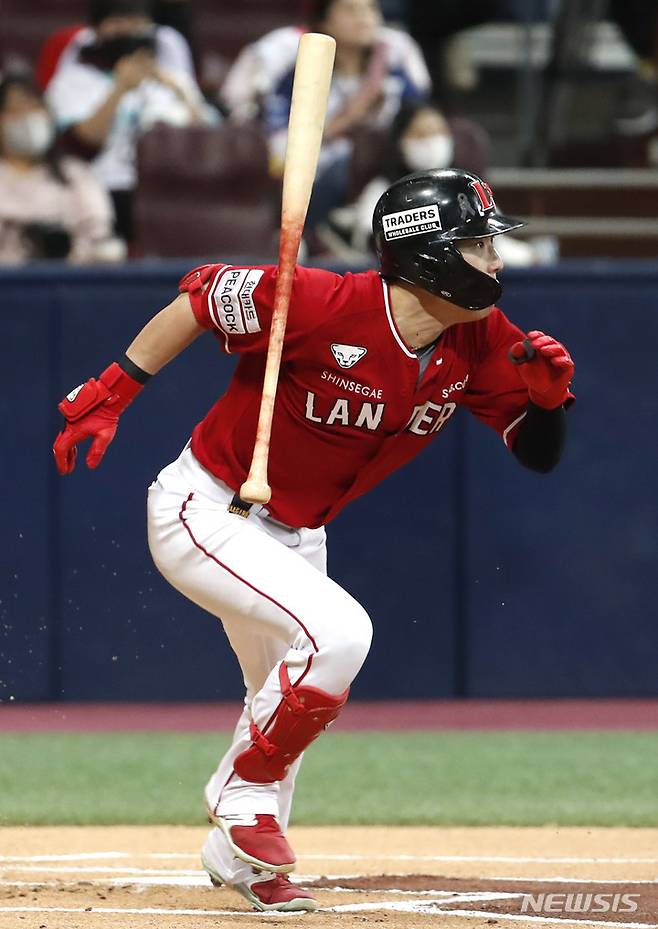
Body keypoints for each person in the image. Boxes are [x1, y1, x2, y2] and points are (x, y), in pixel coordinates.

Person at [52, 168, 575, 912]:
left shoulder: (480, 338)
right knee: (339, 633)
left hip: (294, 532)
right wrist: (113, 390)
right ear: (428, 255)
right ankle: (241, 793)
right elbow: (199, 300)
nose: (497, 261)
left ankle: (241, 853)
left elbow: (538, 451)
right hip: (206, 508)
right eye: (479, 244)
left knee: (283, 693)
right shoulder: (324, 301)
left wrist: (547, 404)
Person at [221, 0, 431, 233]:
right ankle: (312, 237)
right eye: (350, 10)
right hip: (316, 184)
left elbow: (422, 128)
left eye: (370, 9)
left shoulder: (394, 75)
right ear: (324, 21)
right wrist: (346, 120)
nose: (364, 18)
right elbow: (280, 148)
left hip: (384, 176)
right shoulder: (301, 77)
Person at [46, 0, 216, 244]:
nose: (127, 29)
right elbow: (80, 146)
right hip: (102, 196)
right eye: (117, 21)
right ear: (96, 29)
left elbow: (210, 140)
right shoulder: (72, 81)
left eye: (136, 21)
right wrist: (120, 89)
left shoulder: (174, 80)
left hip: (172, 196)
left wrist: (180, 94)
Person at [322, 100, 557, 265]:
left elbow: (497, 243)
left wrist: (533, 257)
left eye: (438, 132)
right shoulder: (387, 194)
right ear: (400, 142)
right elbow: (374, 243)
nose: (432, 141)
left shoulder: (465, 190)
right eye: (421, 134)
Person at [0, 73, 120, 264]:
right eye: (17, 110)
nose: (28, 117)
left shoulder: (75, 175)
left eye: (36, 108)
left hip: (68, 283)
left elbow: (104, 243)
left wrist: (73, 252)